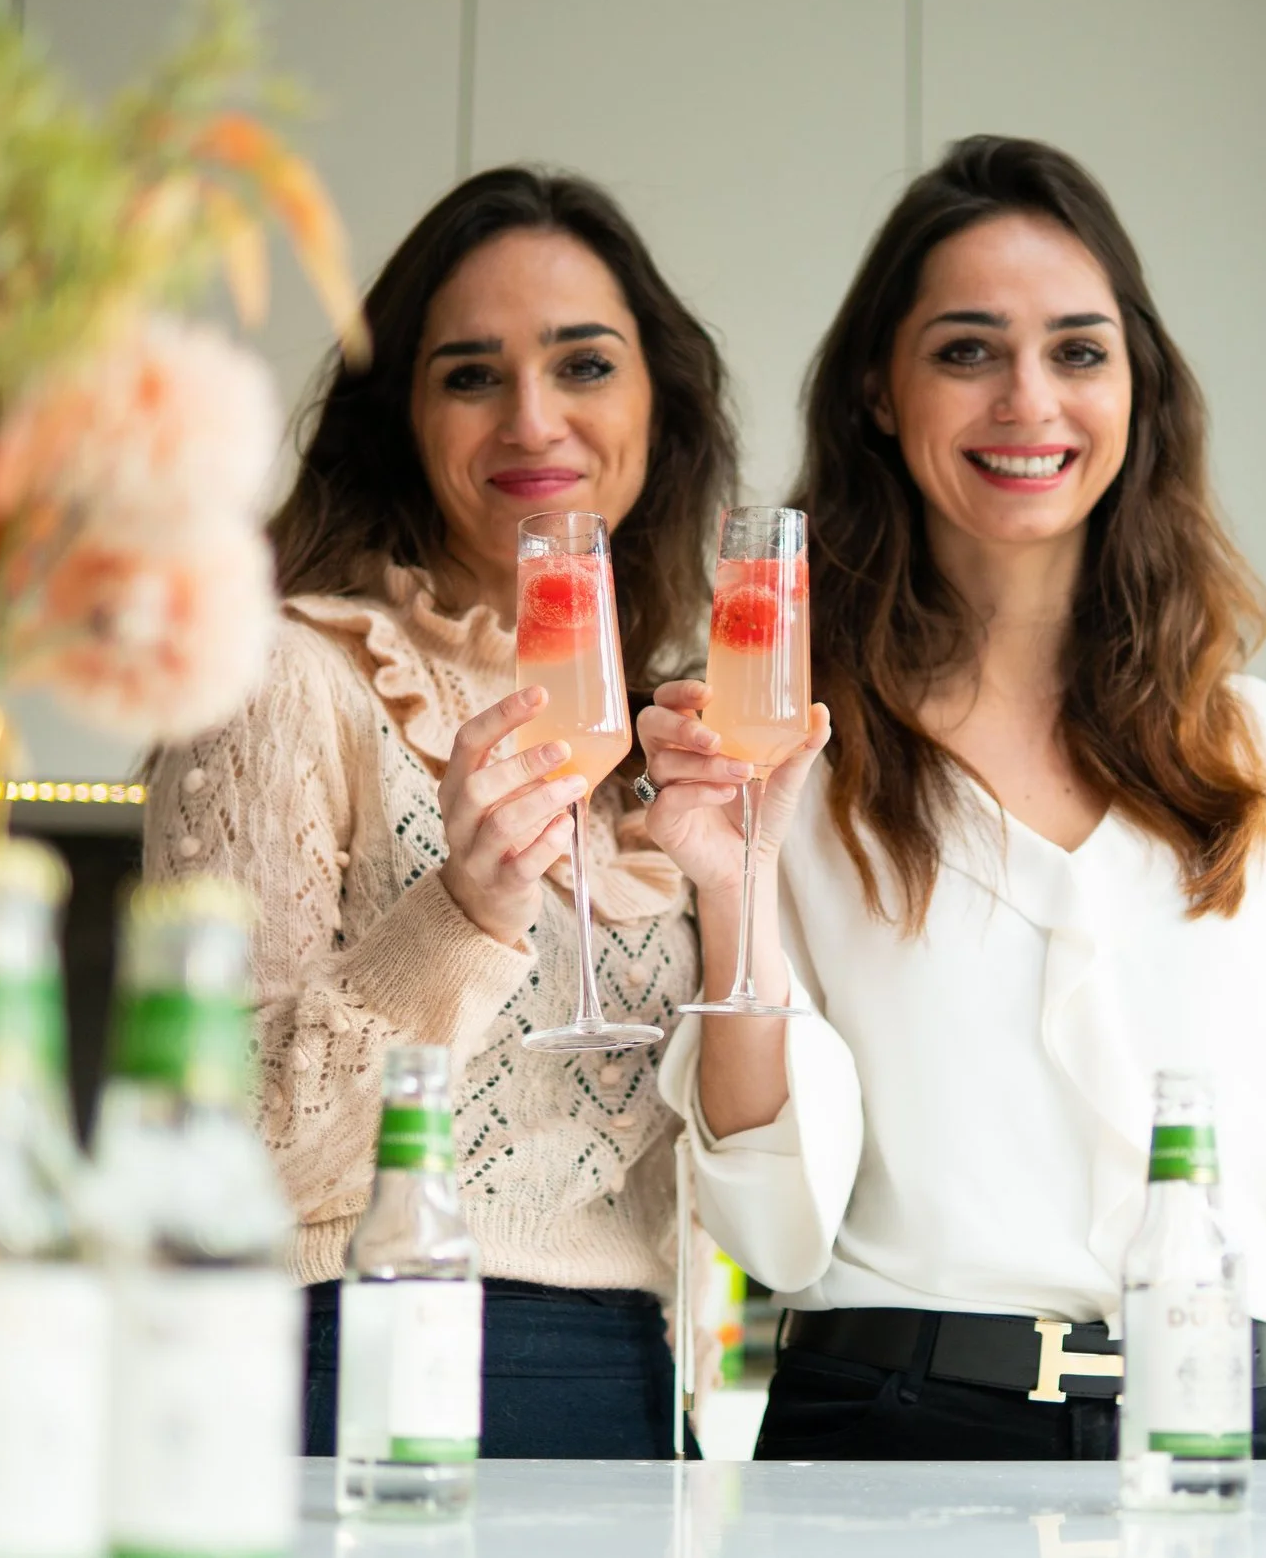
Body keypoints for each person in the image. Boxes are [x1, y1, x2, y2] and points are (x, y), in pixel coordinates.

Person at [635, 136, 1266, 1461]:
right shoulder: (783, 756)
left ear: (1136, 388)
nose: (1028, 400)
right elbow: (775, 1230)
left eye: (1077, 350)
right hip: (888, 1438)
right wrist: (732, 894)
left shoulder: (1257, 757)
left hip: (1215, 1434)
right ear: (880, 391)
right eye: (966, 350)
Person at [143, 165, 815, 1459]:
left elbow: (752, 1184)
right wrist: (459, 912)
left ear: (658, 407)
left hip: (627, 1381)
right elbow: (215, 1159)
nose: (533, 419)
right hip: (348, 1359)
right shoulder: (283, 677)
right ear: (402, 417)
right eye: (470, 375)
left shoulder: (667, 740)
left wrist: (738, 887)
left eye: (584, 365)